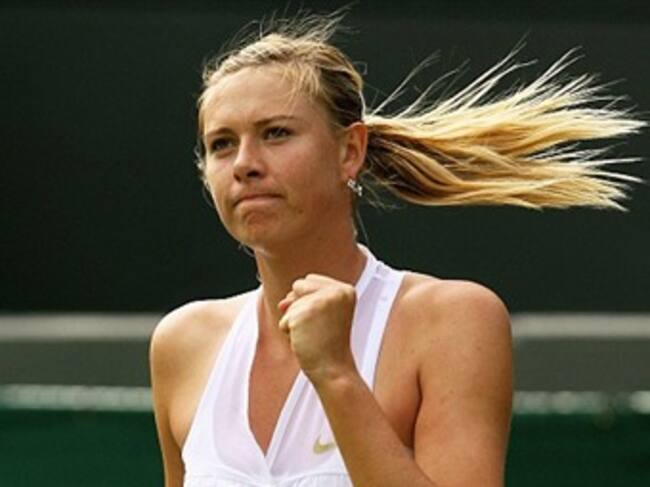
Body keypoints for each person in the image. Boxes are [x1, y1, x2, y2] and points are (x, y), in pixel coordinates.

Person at [149, 12, 643, 487]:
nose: (244, 163)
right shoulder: (182, 343)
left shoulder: (454, 320)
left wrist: (336, 375)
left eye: (276, 133)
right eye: (221, 144)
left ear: (350, 151)